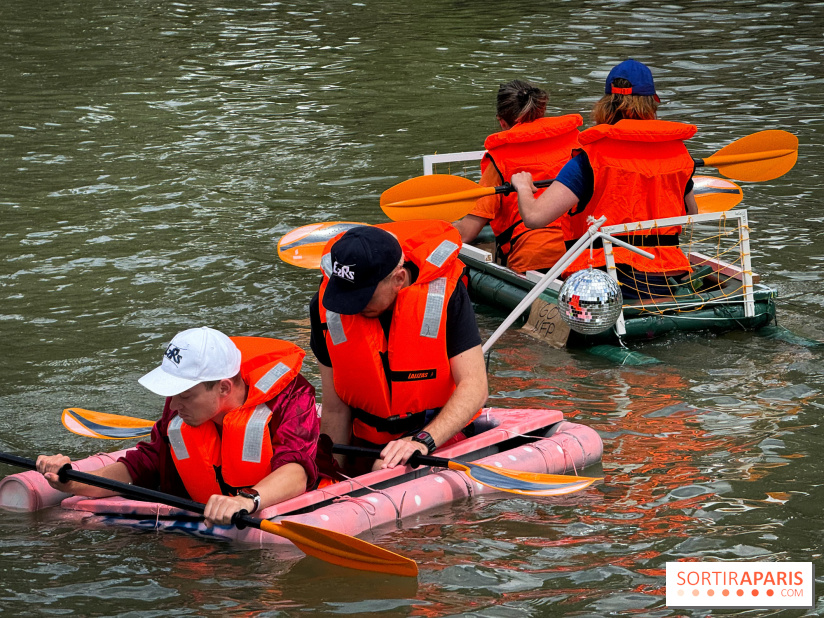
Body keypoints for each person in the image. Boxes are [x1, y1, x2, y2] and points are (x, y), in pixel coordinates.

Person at [36, 327, 319, 526]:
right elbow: (146, 463)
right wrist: (74, 481)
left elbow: (297, 469)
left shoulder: (291, 396)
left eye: (184, 395)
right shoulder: (179, 406)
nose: (173, 406)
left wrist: (246, 502)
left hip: (258, 509)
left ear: (223, 387)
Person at [308, 220, 488, 474]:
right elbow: (336, 408)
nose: (353, 307)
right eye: (346, 297)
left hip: (433, 433)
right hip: (365, 440)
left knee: (384, 467)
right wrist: (330, 474)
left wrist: (422, 441)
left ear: (398, 279)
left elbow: (475, 387)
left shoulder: (445, 293)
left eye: (363, 297)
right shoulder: (327, 305)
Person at [512, 59, 699, 298]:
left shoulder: (591, 158)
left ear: (606, 105)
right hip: (663, 276)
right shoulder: (679, 154)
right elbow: (692, 215)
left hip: (601, 282)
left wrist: (523, 187)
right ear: (653, 103)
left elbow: (535, 218)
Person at [453, 79, 582, 273]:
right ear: (542, 112)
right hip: (580, 251)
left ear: (501, 121)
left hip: (533, 259)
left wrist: (437, 228)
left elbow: (467, 233)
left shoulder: (500, 158)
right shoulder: (579, 144)